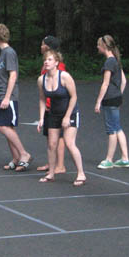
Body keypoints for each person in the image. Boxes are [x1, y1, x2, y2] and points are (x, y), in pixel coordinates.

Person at [37, 50, 86, 186]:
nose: (46, 62)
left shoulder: (64, 77)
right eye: (45, 60)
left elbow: (74, 96)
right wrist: (41, 118)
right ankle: (51, 173)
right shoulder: (41, 80)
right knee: (52, 144)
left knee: (69, 143)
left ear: (57, 63)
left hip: (70, 112)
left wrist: (67, 116)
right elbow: (42, 99)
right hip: (53, 113)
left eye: (50, 59)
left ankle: (81, 173)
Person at [0, 23, 32, 172]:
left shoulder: (9, 53)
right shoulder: (3, 53)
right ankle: (15, 158)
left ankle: (24, 154)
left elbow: (13, 75)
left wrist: (7, 97)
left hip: (8, 95)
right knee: (8, 127)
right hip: (1, 93)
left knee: (2, 126)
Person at [94, 35, 129, 169]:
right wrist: (119, 94)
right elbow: (124, 81)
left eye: (98, 45)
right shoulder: (116, 61)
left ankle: (109, 159)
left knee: (111, 130)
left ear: (104, 46)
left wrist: (98, 101)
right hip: (116, 97)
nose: (97, 47)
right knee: (117, 127)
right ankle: (125, 158)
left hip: (109, 98)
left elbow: (105, 84)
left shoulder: (109, 62)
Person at [37, 36, 67, 174]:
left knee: (59, 137)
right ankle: (51, 163)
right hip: (49, 106)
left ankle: (60, 165)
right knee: (50, 137)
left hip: (57, 107)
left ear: (47, 47)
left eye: (43, 44)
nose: (41, 46)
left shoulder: (58, 66)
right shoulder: (46, 65)